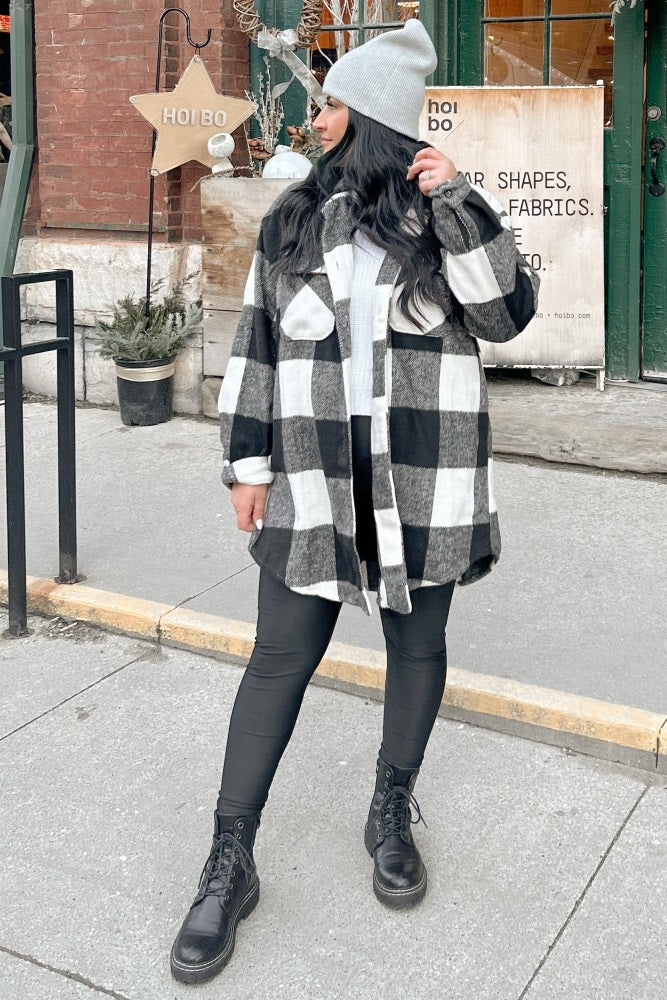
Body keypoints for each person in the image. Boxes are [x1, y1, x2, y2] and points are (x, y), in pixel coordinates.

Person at [170, 18, 539, 985]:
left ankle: (389, 809)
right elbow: (255, 347)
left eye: (334, 104)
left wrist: (456, 200)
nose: (319, 118)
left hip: (424, 473)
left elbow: (504, 316)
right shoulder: (292, 220)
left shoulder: (443, 216)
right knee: (277, 659)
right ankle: (229, 858)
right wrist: (246, 466)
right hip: (312, 476)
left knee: (417, 647)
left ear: (372, 118)